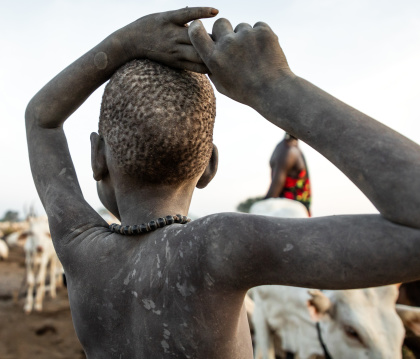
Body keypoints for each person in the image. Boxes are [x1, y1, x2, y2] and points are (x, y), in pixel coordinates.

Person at [25, 7, 420, 359]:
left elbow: (40, 118)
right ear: (210, 165)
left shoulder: (77, 246)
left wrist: (126, 40)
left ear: (97, 158)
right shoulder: (218, 248)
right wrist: (273, 85)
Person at [265, 133, 311, 215]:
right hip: (288, 213)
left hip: (293, 214)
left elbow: (272, 195)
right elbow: (275, 191)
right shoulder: (288, 150)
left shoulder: (288, 149)